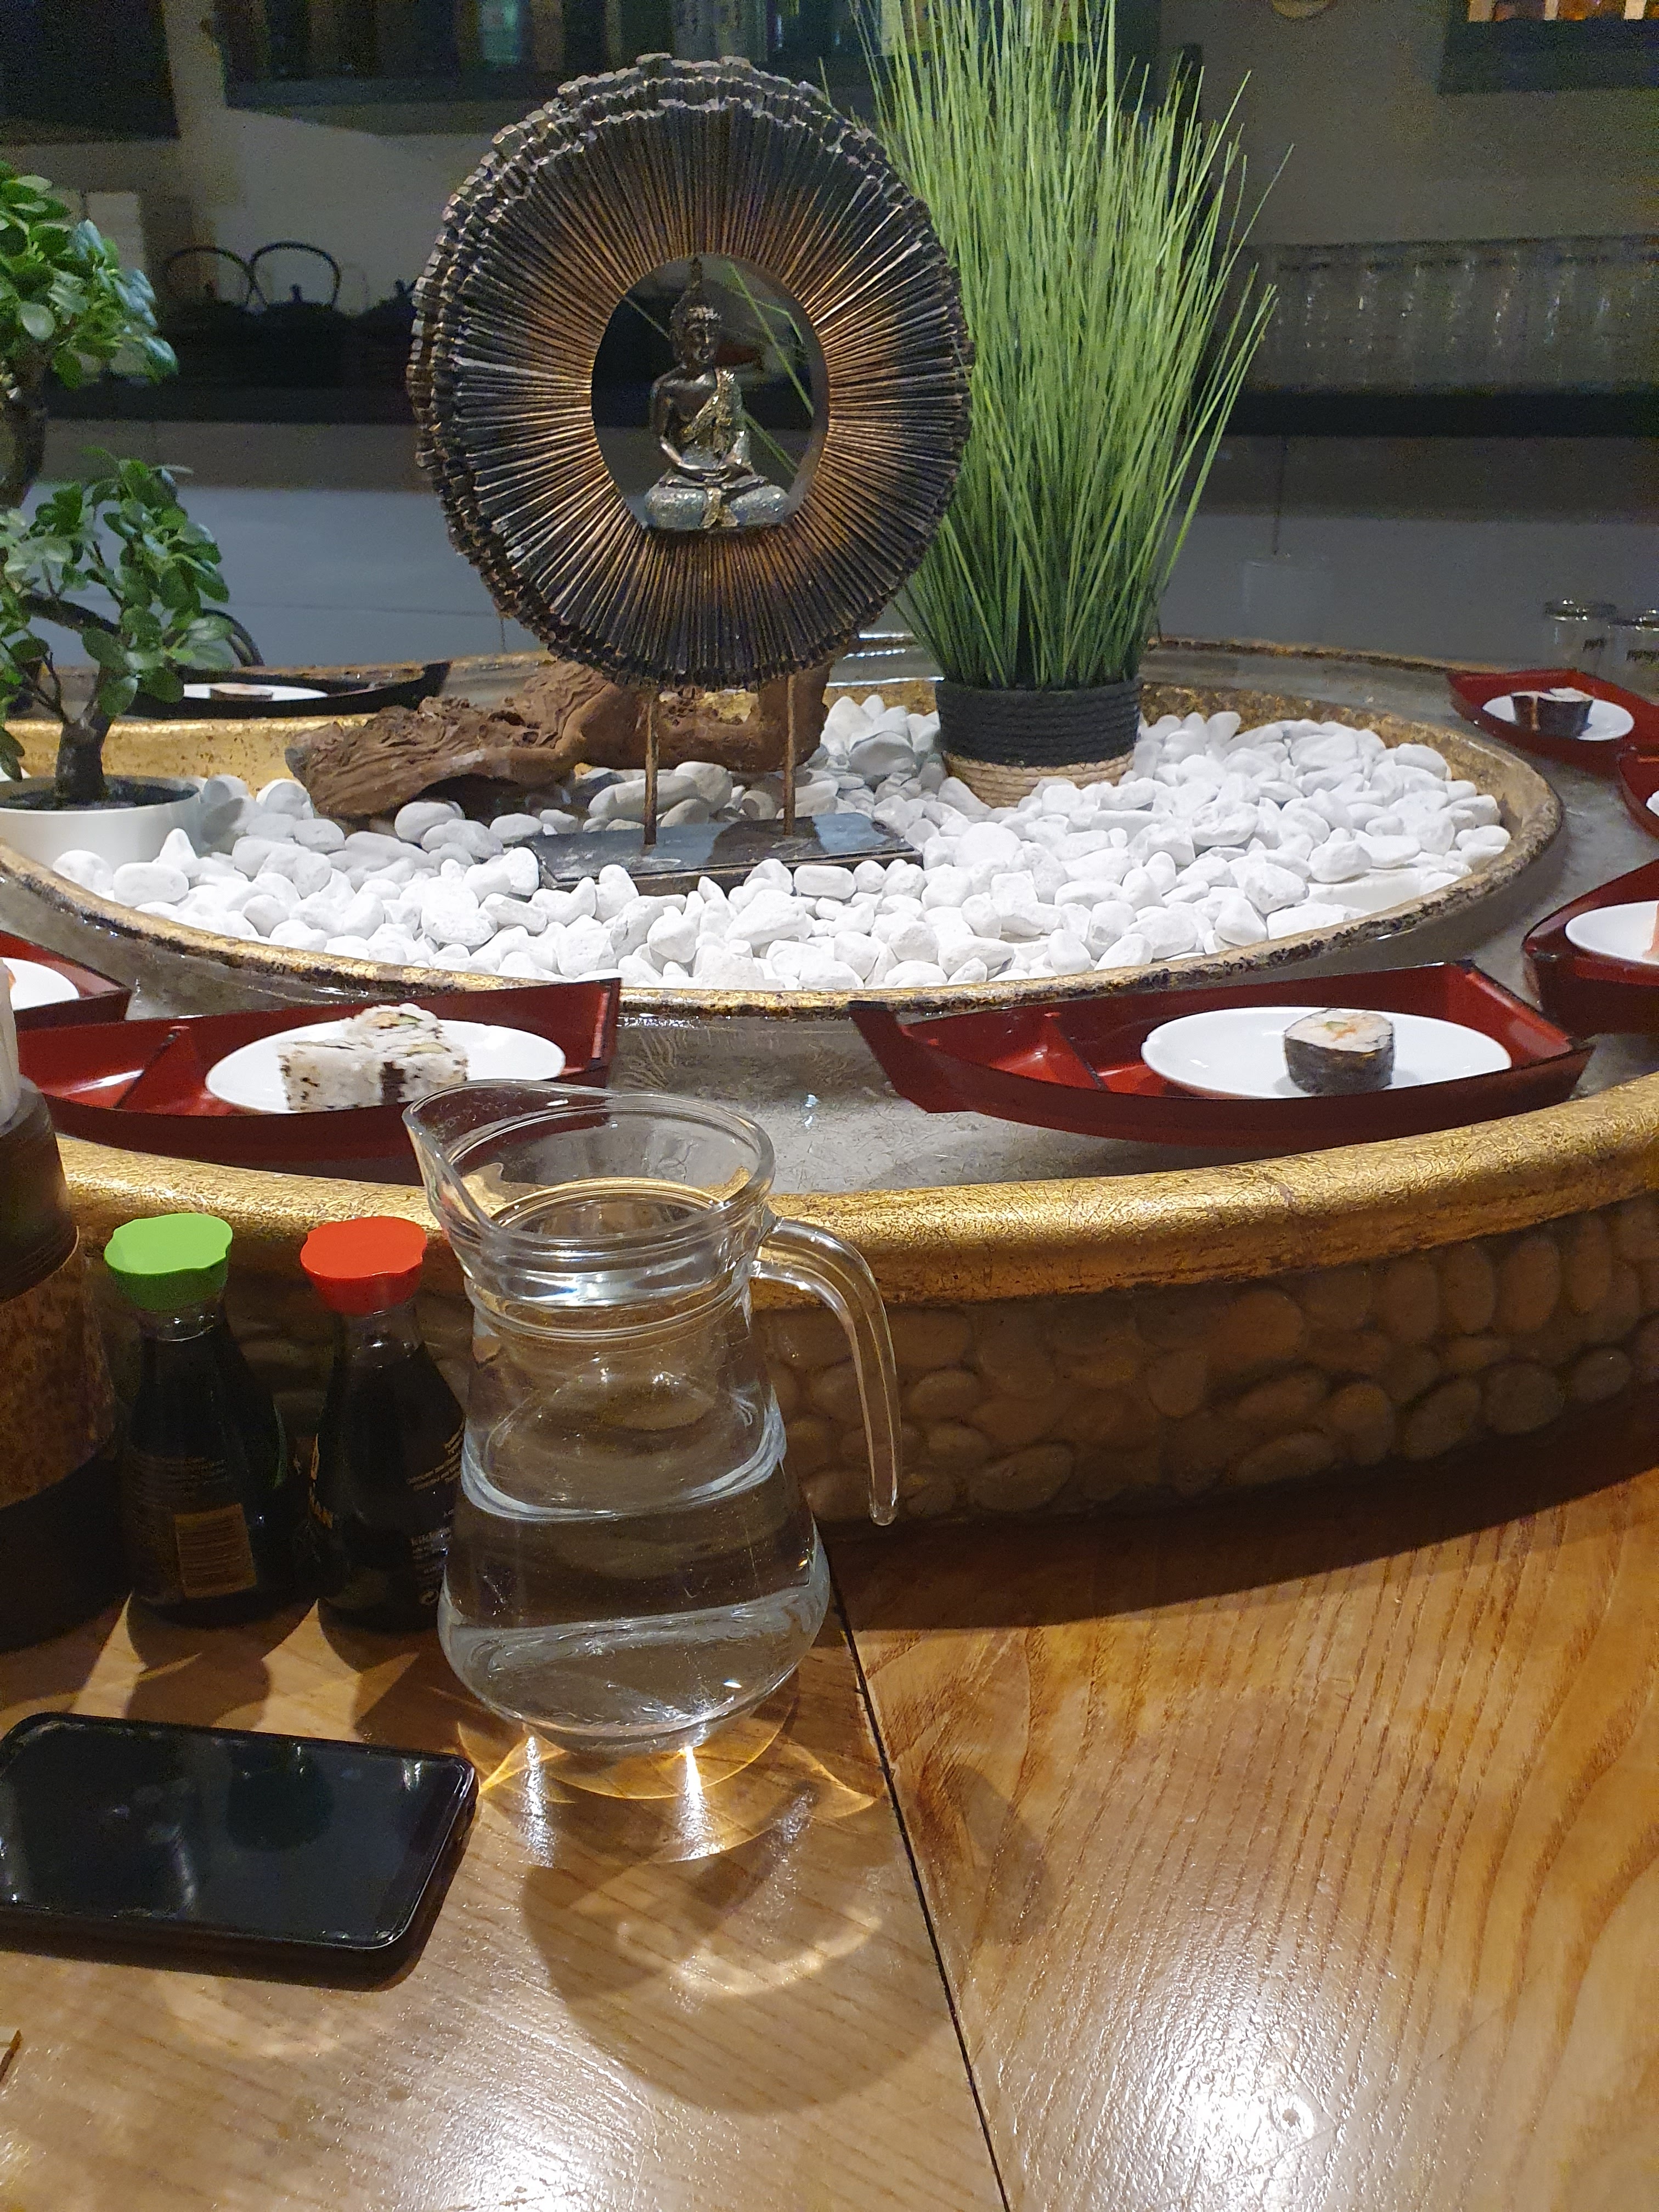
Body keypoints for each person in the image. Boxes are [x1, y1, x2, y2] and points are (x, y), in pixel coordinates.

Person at [644, 260, 790, 532]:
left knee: (775, 500)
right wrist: (686, 467)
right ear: (678, 339)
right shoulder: (667, 387)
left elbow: (740, 431)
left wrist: (735, 460)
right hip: (687, 478)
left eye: (712, 335)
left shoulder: (727, 381)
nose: (707, 343)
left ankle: (718, 509)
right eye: (697, 335)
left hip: (728, 475)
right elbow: (660, 438)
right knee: (660, 506)